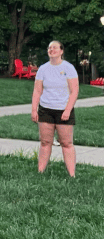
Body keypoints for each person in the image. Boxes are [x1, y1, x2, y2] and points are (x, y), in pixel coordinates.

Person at [31, 40, 79, 177]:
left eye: (55, 48)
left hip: (63, 110)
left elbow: (74, 91)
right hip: (45, 109)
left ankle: (72, 175)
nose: (51, 50)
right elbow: (37, 91)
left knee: (66, 143)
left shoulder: (68, 68)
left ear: (61, 51)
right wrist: (34, 109)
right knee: (45, 142)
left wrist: (68, 110)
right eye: (49, 48)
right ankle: (40, 172)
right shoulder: (43, 69)